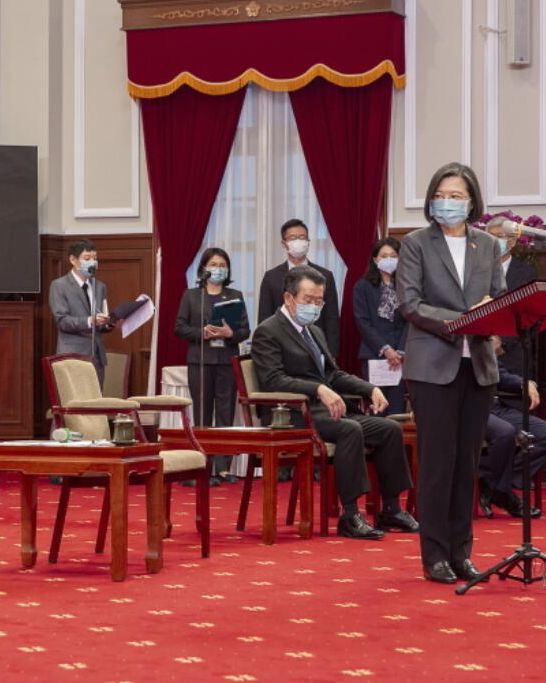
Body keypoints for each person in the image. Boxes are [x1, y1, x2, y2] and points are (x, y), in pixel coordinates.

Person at [252, 265, 418, 540]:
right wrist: (317, 389)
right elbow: (273, 380)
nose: (315, 307)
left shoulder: (313, 331)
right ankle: (350, 514)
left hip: (327, 411)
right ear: (288, 298)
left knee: (389, 429)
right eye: (308, 300)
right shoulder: (268, 331)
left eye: (320, 301)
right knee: (349, 429)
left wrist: (369, 388)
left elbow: (333, 374)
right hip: (293, 414)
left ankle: (390, 509)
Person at [397, 162, 505, 585]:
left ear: (473, 201)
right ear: (430, 199)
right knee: (438, 464)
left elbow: (497, 297)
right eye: (442, 194)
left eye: (458, 196)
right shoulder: (416, 244)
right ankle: (434, 554)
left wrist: (491, 315)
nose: (449, 202)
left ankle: (462, 552)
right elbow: (410, 303)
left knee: (466, 465)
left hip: (478, 365)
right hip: (432, 365)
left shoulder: (487, 245)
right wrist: (462, 319)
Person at [174, 247, 251, 483]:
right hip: (201, 360)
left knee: (225, 414)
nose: (219, 269)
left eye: (223, 265)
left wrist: (230, 333)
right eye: (214, 265)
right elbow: (179, 327)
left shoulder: (235, 294)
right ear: (204, 268)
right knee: (202, 413)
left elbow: (245, 331)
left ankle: (223, 467)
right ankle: (202, 464)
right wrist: (201, 332)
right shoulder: (192, 295)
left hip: (227, 361)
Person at [479, 364, 546, 519]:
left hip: (499, 407)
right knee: (505, 433)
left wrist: (525, 383)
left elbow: (501, 375)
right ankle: (502, 492)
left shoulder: (482, 346)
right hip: (475, 408)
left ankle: (491, 484)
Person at [258, 219, 341, 357]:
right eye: (293, 238)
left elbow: (332, 320)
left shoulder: (325, 275)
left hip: (317, 349)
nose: (298, 241)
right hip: (281, 350)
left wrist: (331, 355)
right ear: (284, 244)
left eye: (302, 237)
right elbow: (264, 318)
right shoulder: (271, 277)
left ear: (308, 242)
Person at [351, 238, 408, 416]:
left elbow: (410, 320)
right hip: (374, 355)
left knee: (397, 411)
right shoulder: (362, 287)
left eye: (393, 255)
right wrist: (385, 349)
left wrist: (400, 351)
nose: (389, 259)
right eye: (384, 255)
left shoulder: (407, 287)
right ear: (375, 259)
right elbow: (362, 322)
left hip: (400, 359)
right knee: (377, 409)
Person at [49, 238, 117, 384]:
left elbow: (100, 320)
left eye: (95, 258)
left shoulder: (100, 286)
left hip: (96, 357)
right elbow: (62, 321)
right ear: (73, 259)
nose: (92, 262)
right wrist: (89, 320)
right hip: (73, 356)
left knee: (95, 402)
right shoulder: (59, 286)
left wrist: (109, 323)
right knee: (76, 403)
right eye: (87, 258)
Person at [485, 215, 538, 374]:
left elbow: (526, 313)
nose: (493, 241)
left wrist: (501, 340)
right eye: (490, 237)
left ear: (512, 242)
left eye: (499, 237)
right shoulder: (473, 270)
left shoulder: (526, 273)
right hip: (479, 350)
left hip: (512, 353)